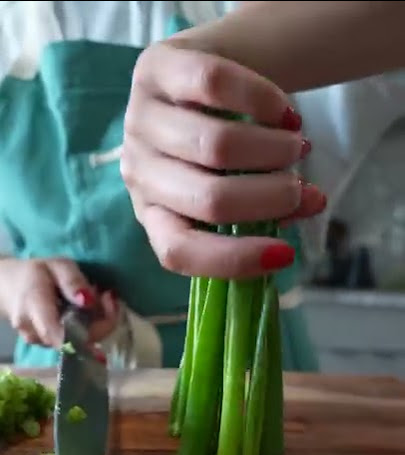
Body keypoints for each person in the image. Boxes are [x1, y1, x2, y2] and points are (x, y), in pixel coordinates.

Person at [0, 0, 326, 372]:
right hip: (62, 366)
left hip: (250, 361)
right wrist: (13, 284)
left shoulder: (242, 10)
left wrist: (225, 50)